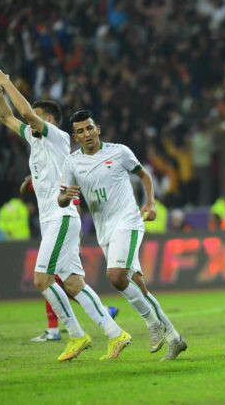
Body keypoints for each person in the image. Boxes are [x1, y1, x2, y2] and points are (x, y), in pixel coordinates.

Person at [0, 71, 129, 361]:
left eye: (37, 118)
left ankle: (77, 336)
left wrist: (6, 82)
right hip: (54, 220)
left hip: (62, 216)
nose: (30, 121)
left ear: (48, 120)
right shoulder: (34, 138)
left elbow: (26, 112)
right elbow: (7, 118)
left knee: (42, 279)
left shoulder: (56, 136)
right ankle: (116, 334)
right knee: (74, 283)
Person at [57, 109, 187, 360]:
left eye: (90, 128)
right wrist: (65, 196)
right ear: (75, 136)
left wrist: (150, 203)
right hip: (104, 229)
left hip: (127, 221)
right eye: (81, 131)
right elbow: (61, 198)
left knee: (116, 277)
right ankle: (175, 338)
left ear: (98, 129)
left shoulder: (119, 151)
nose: (87, 134)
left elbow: (144, 175)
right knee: (137, 284)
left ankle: (152, 323)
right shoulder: (72, 163)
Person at [16, 175, 121, 343]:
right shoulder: (44, 176)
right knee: (57, 282)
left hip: (64, 232)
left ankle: (55, 329)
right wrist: (29, 181)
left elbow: (75, 208)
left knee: (49, 280)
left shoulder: (64, 179)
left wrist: (75, 240)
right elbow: (23, 192)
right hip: (52, 232)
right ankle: (104, 312)